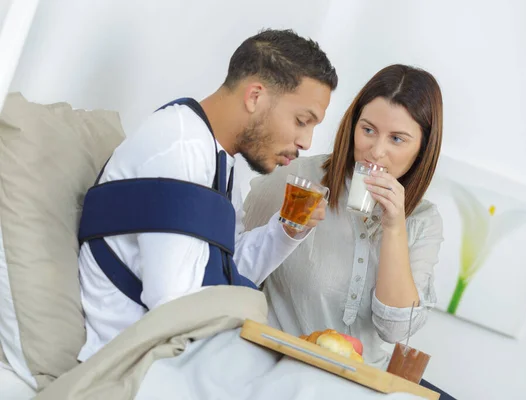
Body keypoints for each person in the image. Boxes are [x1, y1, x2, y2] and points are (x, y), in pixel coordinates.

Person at [76, 28, 337, 362]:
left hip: (169, 353)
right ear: (255, 96)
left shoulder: (218, 159)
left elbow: (227, 268)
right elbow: (173, 306)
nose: (307, 142)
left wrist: (286, 231)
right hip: (129, 363)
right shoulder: (178, 149)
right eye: (302, 120)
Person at [243, 64, 444, 369]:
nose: (376, 151)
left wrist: (394, 227)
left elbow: (395, 330)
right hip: (273, 373)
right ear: (353, 125)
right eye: (368, 130)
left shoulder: (423, 221)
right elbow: (231, 270)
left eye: (397, 139)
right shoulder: (299, 179)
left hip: (353, 388)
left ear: (423, 148)